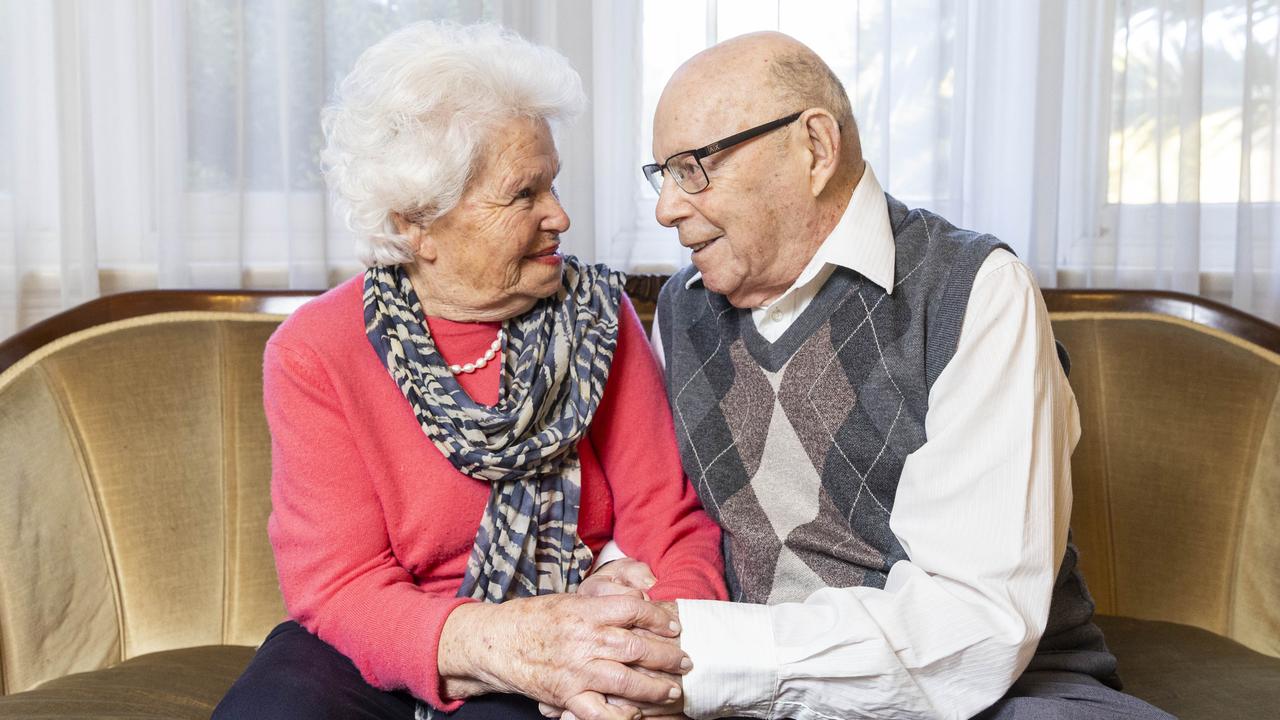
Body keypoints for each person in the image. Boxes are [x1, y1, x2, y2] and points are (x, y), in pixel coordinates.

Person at [629, 31, 1173, 720]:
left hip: (995, 694)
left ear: (815, 148)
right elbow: (664, 521)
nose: (666, 207)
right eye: (663, 175)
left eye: (693, 168)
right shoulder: (681, 311)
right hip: (747, 694)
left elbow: (975, 625)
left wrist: (701, 658)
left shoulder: (973, 289)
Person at [213, 21, 726, 720]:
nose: (560, 215)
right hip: (381, 635)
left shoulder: (601, 321)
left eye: (554, 184)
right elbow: (341, 582)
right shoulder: (317, 350)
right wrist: (501, 639)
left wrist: (645, 655)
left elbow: (671, 530)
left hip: (573, 622)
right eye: (524, 195)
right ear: (419, 222)